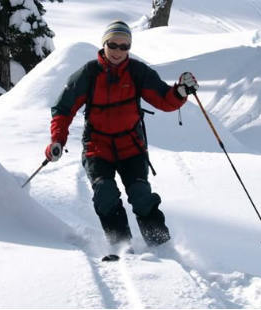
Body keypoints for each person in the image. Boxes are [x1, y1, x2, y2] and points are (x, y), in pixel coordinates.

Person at [45, 20, 199, 248]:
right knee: (105, 194)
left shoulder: (138, 72)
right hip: (97, 146)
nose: (118, 51)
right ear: (104, 44)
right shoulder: (88, 74)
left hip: (131, 145)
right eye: (113, 45)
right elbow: (63, 109)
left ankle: (162, 247)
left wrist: (181, 92)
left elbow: (164, 100)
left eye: (124, 46)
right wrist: (57, 140)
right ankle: (121, 246)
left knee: (141, 196)